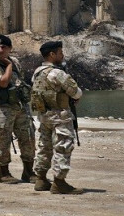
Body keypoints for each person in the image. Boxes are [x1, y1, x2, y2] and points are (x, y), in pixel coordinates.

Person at [30, 40, 84, 194]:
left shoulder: (37, 73)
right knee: (63, 147)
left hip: (44, 116)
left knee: (44, 147)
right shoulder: (57, 73)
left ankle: (40, 179)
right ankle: (59, 183)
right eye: (60, 53)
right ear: (52, 55)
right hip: (60, 116)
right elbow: (76, 92)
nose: (62, 55)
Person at [0, 34, 36, 184]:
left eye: (3, 47)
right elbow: (3, 83)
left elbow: (19, 82)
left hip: (19, 106)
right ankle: (4, 173)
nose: (0, 50)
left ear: (10, 48)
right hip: (2, 109)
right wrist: (9, 66)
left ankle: (29, 172)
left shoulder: (15, 62)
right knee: (3, 140)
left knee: (28, 138)